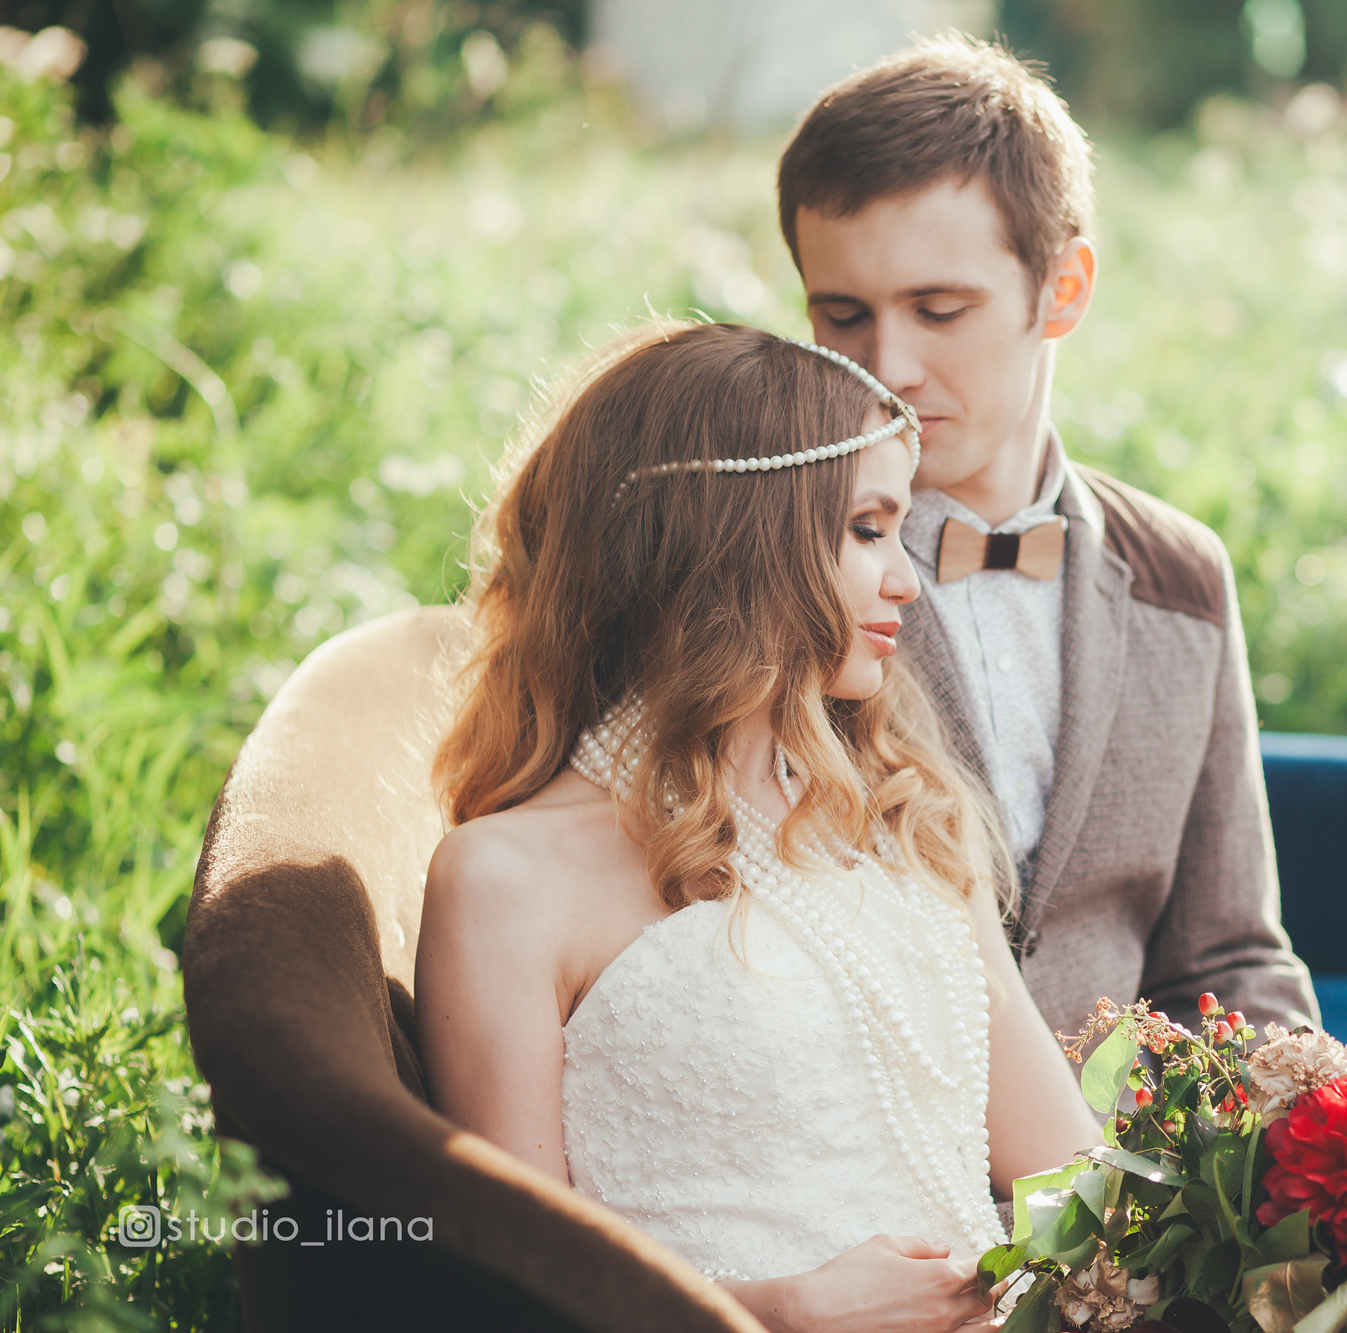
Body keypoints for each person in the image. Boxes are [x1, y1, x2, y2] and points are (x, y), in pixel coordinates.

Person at [774, 33, 1347, 1330]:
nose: (891, 367)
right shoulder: (770, 575)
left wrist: (1321, 1165)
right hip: (897, 1193)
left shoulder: (1181, 577)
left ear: (1065, 285)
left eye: (940, 309)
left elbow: (1230, 949)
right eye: (842, 313)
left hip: (1163, 1170)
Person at [412, 318, 1103, 1333]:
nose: (905, 577)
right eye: (867, 530)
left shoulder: (900, 821)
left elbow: (1075, 1181)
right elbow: (511, 1290)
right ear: (732, 539)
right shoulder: (507, 879)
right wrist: (779, 1312)